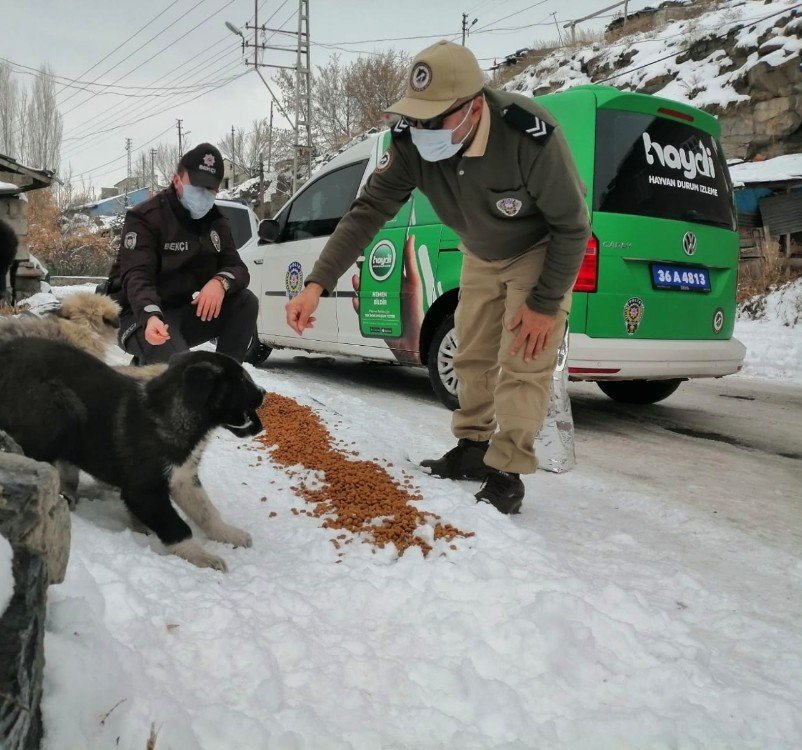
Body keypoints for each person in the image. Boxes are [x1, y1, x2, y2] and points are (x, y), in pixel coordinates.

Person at [285, 41, 590, 514]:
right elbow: (366, 212)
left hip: (538, 250)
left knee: (522, 360)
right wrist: (316, 284)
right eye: (417, 117)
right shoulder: (409, 144)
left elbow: (573, 225)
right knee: (470, 354)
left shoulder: (529, 134)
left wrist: (544, 303)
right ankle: (472, 447)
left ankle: (507, 471)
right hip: (481, 254)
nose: (423, 128)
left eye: (435, 119)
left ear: (473, 106)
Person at [106, 143, 258, 364]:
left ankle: (226, 382)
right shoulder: (146, 218)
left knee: (245, 301)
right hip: (137, 314)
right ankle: (148, 368)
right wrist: (150, 315)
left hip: (179, 312)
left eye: (211, 189)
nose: (204, 194)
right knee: (182, 371)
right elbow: (137, 276)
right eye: (197, 186)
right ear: (177, 180)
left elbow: (238, 268)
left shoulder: (215, 222)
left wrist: (220, 282)